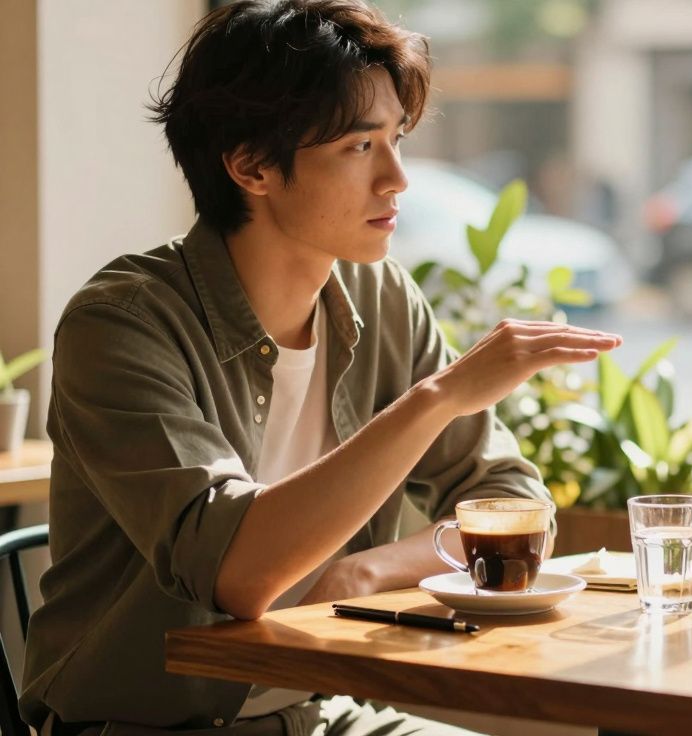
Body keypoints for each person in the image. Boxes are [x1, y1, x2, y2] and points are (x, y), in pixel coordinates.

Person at [20, 1, 621, 733]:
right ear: (251, 166)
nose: (399, 177)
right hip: (148, 725)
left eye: (396, 138)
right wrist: (437, 399)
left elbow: (510, 503)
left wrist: (365, 572)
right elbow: (237, 575)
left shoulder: (378, 292)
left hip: (319, 710)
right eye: (360, 148)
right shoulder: (122, 323)